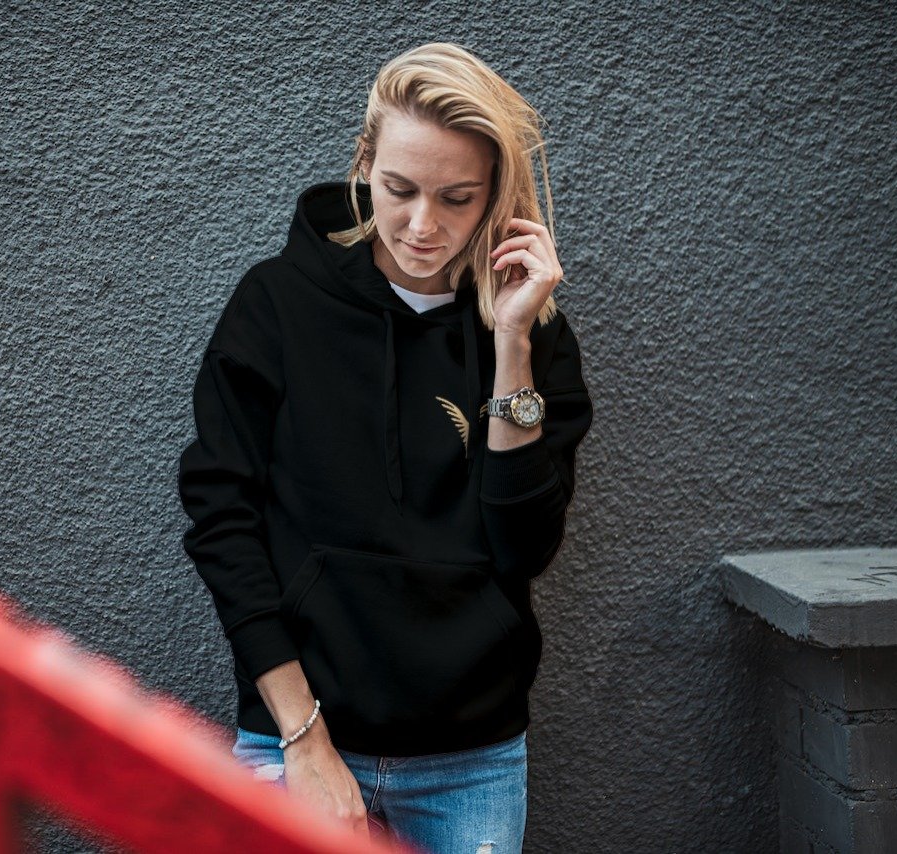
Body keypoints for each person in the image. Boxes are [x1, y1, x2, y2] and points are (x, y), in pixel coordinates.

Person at [177, 41, 593, 852]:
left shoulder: (533, 333)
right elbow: (222, 520)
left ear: (494, 200)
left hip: (470, 760)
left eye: (458, 198)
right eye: (399, 188)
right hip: (296, 737)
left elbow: (524, 547)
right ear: (364, 162)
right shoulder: (277, 305)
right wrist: (303, 737)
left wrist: (511, 341)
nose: (422, 224)